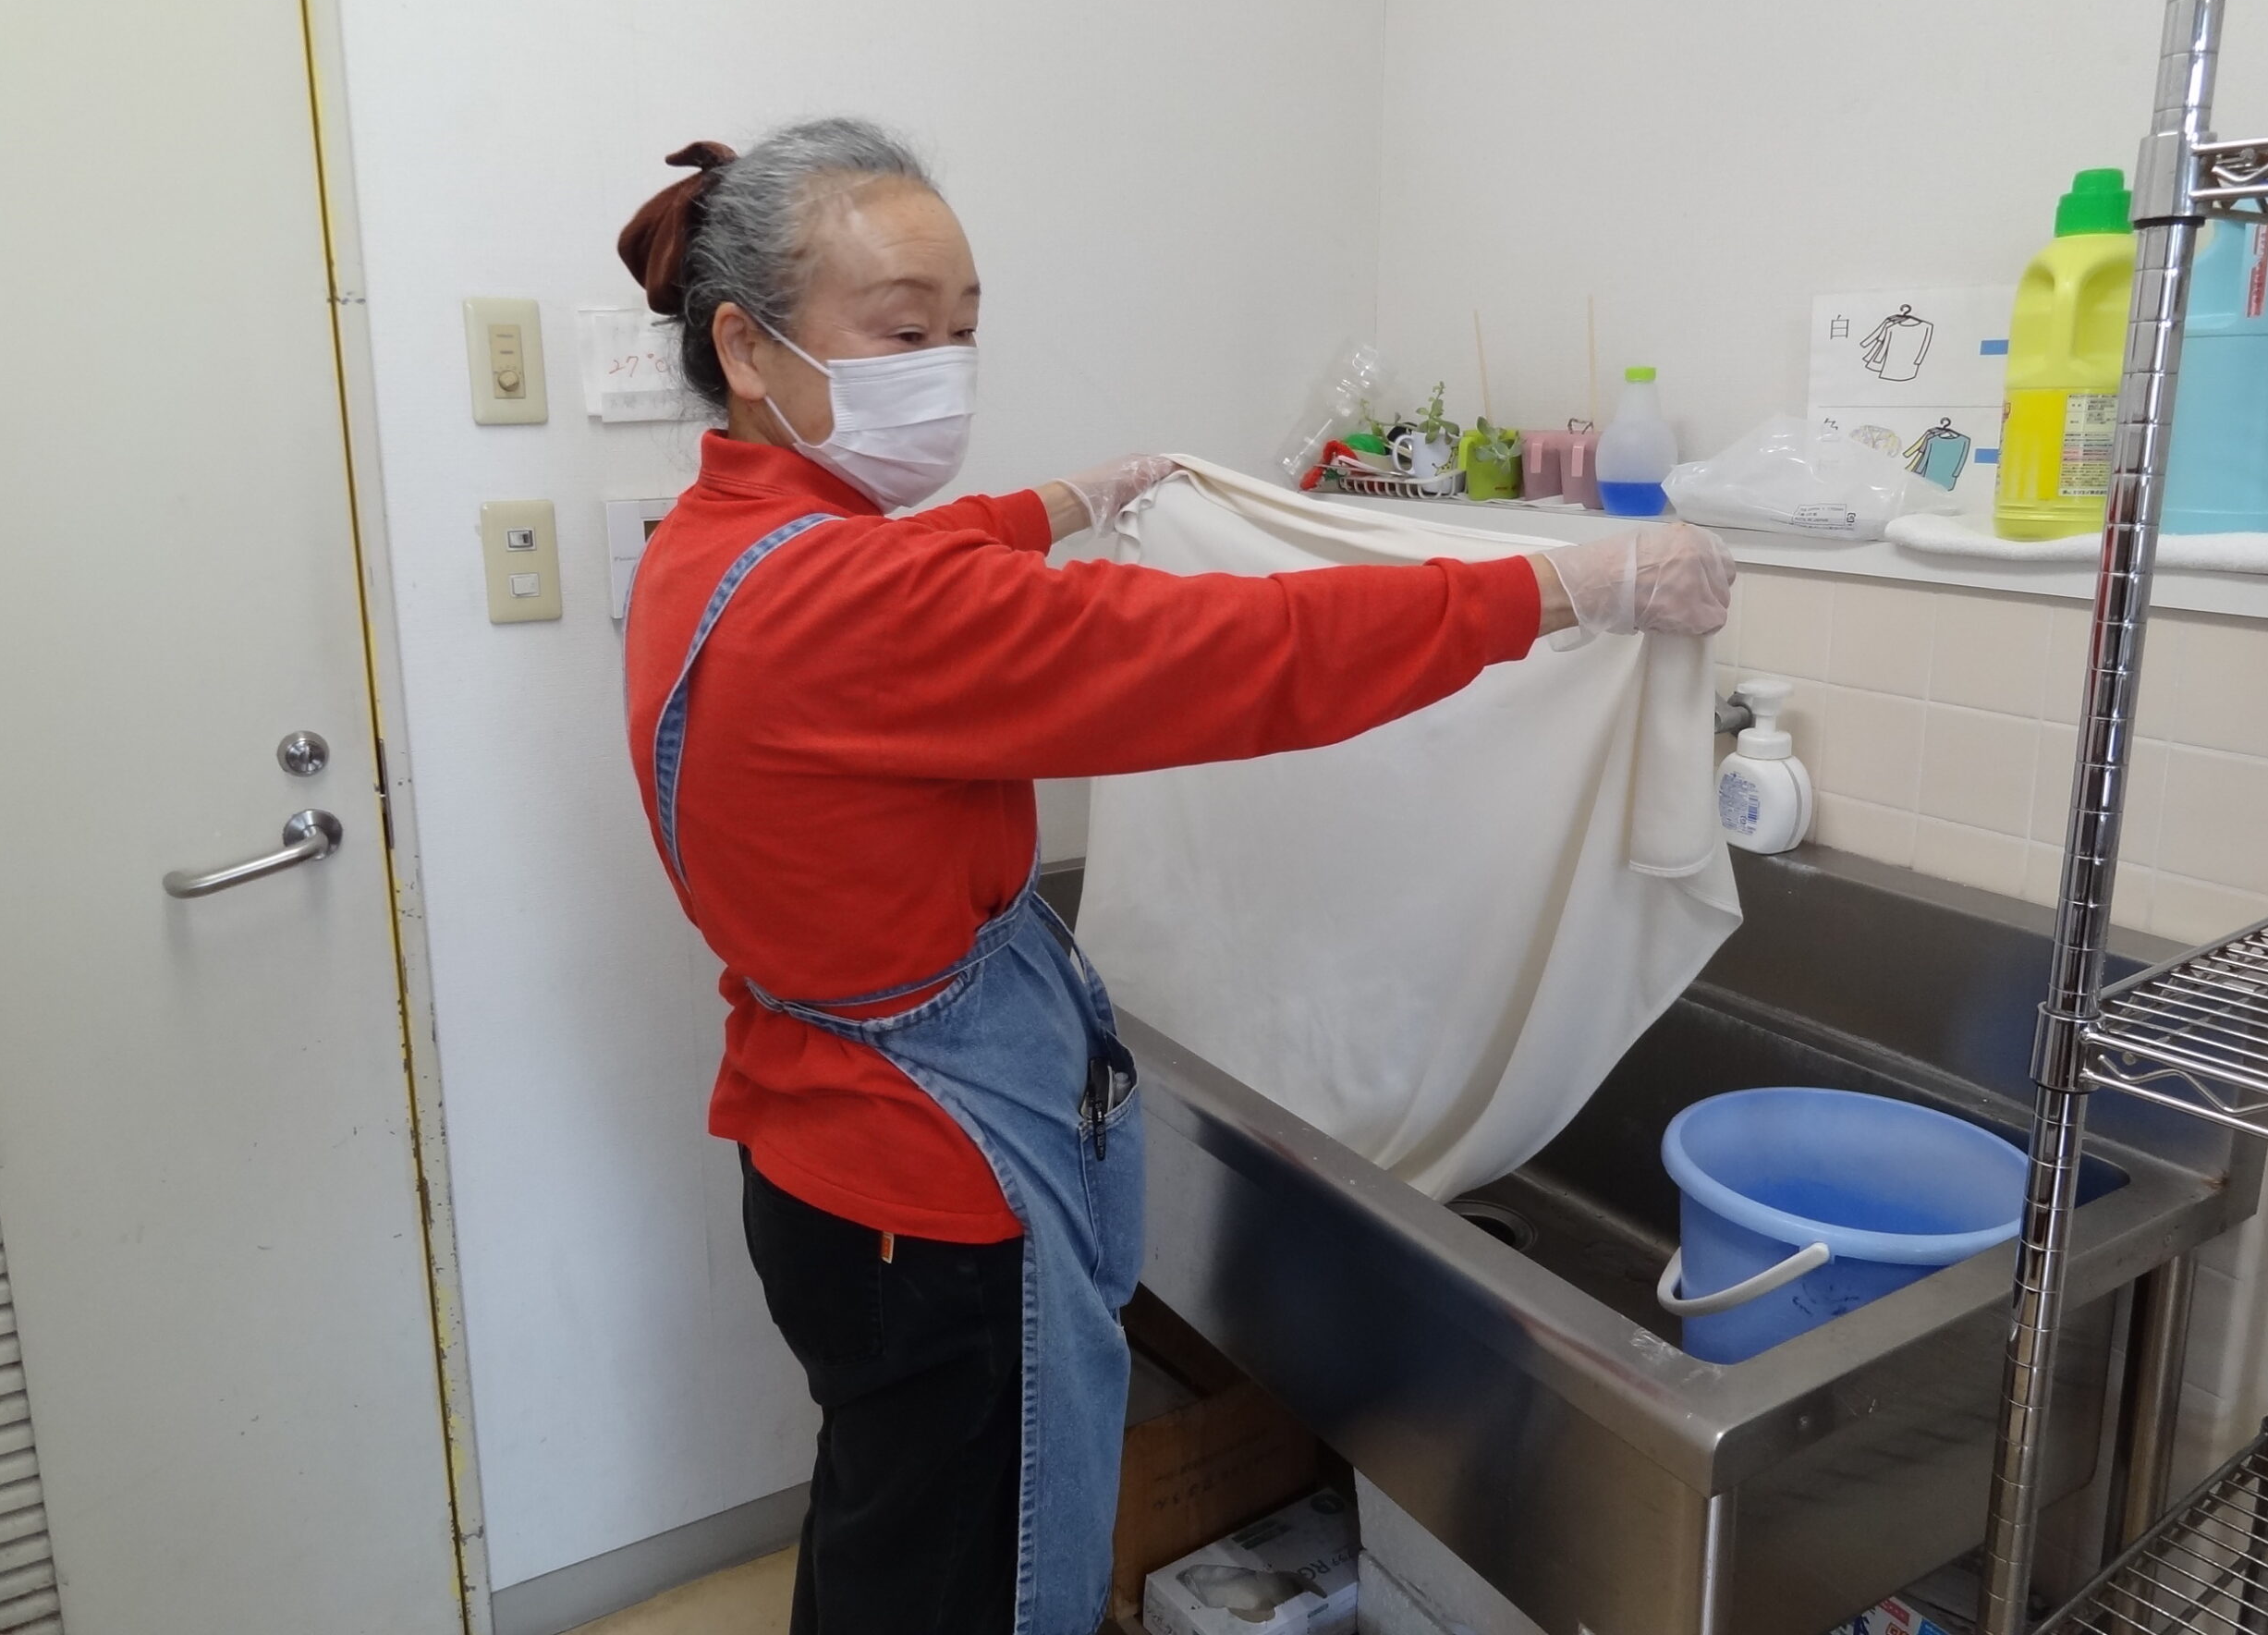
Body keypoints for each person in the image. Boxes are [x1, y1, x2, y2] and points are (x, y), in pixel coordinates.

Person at [616, 118, 1733, 1635]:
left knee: (892, 1542)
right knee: (974, 1586)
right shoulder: (859, 601)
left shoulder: (718, 543)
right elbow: (1246, 651)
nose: (946, 368)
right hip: (930, 1190)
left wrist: (1069, 502)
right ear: (748, 347)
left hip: (818, 1162)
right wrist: (1569, 583)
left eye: (965, 330)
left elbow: (922, 569)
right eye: (903, 332)